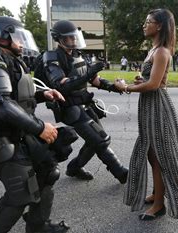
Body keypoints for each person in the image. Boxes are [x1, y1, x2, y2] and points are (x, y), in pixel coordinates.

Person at [0, 16, 70, 233]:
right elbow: (1, 103)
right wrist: (40, 128)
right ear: (3, 37)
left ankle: (36, 224)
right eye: (18, 38)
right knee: (21, 189)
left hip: (15, 130)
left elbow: (17, 97)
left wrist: (43, 95)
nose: (22, 43)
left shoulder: (8, 58)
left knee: (47, 171)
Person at [115, 8, 178, 220]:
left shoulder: (162, 51)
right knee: (150, 152)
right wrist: (140, 80)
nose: (144, 25)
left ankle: (159, 205)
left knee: (159, 156)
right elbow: (150, 80)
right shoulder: (153, 50)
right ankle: (157, 193)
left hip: (158, 107)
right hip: (149, 106)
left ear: (160, 26)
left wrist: (126, 87)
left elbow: (155, 85)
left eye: (148, 22)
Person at [43, 20, 128, 183]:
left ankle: (74, 167)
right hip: (70, 107)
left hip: (85, 104)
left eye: (75, 37)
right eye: (69, 38)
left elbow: (95, 80)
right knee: (100, 140)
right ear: (59, 39)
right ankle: (121, 173)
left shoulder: (77, 55)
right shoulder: (52, 57)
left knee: (94, 140)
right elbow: (62, 86)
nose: (73, 40)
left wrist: (115, 87)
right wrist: (88, 74)